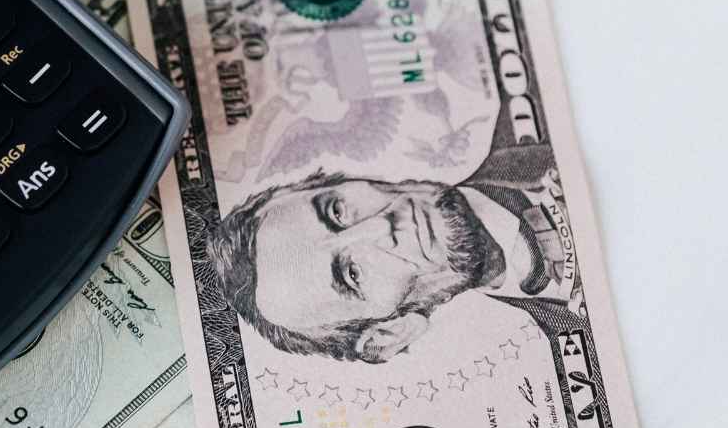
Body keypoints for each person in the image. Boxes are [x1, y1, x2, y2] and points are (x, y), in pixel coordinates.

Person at [207, 143, 581, 363]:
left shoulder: (542, 138)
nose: (380, 227)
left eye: (336, 211)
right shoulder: (566, 340)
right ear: (390, 333)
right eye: (352, 274)